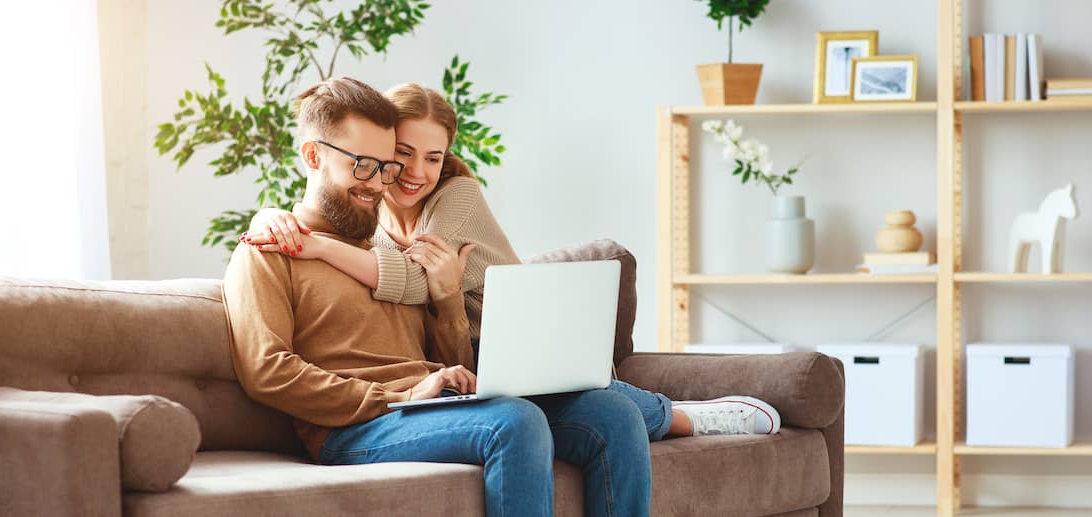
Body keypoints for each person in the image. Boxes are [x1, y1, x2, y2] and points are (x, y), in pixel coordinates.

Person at [244, 82, 782, 440]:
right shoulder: (368, 216)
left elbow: (411, 282)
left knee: (600, 404)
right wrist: (273, 211)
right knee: (541, 415)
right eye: (396, 157)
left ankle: (683, 416)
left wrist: (315, 245)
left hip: (513, 344)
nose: (409, 172)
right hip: (462, 367)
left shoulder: (455, 198)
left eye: (431, 158)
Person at [224, 77, 652, 516]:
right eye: (362, 165)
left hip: (435, 405)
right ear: (313, 156)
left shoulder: (388, 256)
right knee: (514, 423)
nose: (377, 183)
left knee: (614, 415)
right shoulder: (268, 251)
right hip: (355, 427)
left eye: (385, 167)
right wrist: (400, 397)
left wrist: (447, 304)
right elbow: (267, 370)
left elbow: (455, 361)